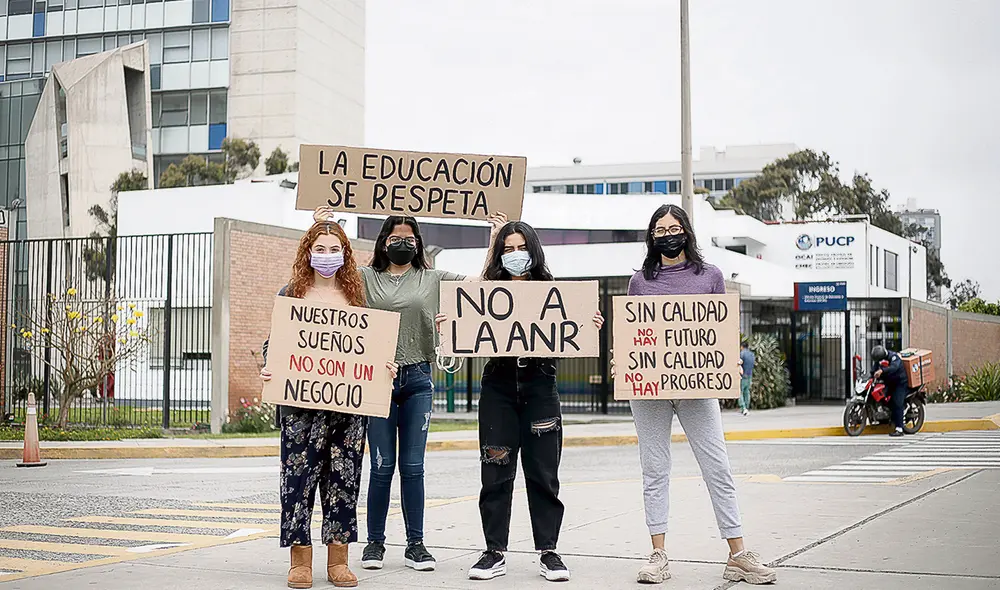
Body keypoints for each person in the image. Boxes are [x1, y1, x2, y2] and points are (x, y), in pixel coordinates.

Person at [613, 204, 776, 585]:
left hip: (698, 389)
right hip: (650, 391)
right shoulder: (640, 282)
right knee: (655, 470)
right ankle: (658, 555)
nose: (667, 235)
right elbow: (634, 333)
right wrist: (623, 361)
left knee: (717, 467)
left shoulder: (710, 275)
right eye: (659, 231)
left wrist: (729, 362)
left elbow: (720, 330)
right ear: (651, 237)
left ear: (686, 232)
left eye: (674, 228)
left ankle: (738, 554)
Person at [434, 222, 604, 583]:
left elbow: (570, 330)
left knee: (543, 472)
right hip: (498, 386)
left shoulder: (552, 291)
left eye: (521, 247)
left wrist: (589, 324)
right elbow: (463, 327)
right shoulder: (485, 291)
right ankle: (494, 551)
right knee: (495, 470)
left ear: (534, 250)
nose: (515, 255)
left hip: (540, 385)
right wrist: (449, 327)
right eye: (507, 249)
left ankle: (549, 551)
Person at [346, 209, 506, 573]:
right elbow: (328, 277)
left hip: (417, 378)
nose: (402, 243)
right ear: (383, 242)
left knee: (413, 467)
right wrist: (322, 225)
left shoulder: (433, 278)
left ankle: (415, 545)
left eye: (409, 238)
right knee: (381, 466)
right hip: (377, 380)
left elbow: (480, 282)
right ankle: (375, 543)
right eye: (395, 238)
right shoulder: (365, 278)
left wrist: (495, 235)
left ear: (418, 244)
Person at [259, 217, 398, 589]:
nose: (326, 255)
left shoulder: (357, 297)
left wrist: (385, 367)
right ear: (307, 253)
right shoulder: (291, 293)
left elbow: (372, 347)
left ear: (345, 254)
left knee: (343, 480)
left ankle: (339, 559)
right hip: (299, 407)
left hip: (348, 410)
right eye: (319, 249)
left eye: (334, 249)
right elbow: (275, 343)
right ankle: (300, 561)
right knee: (297, 482)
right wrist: (270, 366)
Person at [871, 345, 907, 437]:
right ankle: (884, 417)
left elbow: (894, 367)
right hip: (889, 382)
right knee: (882, 398)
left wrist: (882, 371)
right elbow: (874, 369)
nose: (878, 361)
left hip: (899, 382)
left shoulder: (894, 357)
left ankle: (899, 428)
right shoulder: (879, 359)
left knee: (897, 402)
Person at [738, 341, 755, 416]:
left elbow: (739, 363)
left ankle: (743, 408)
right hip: (749, 375)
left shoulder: (742, 354)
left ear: (742, 346)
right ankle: (747, 407)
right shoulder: (752, 354)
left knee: (740, 392)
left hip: (742, 375)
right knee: (747, 391)